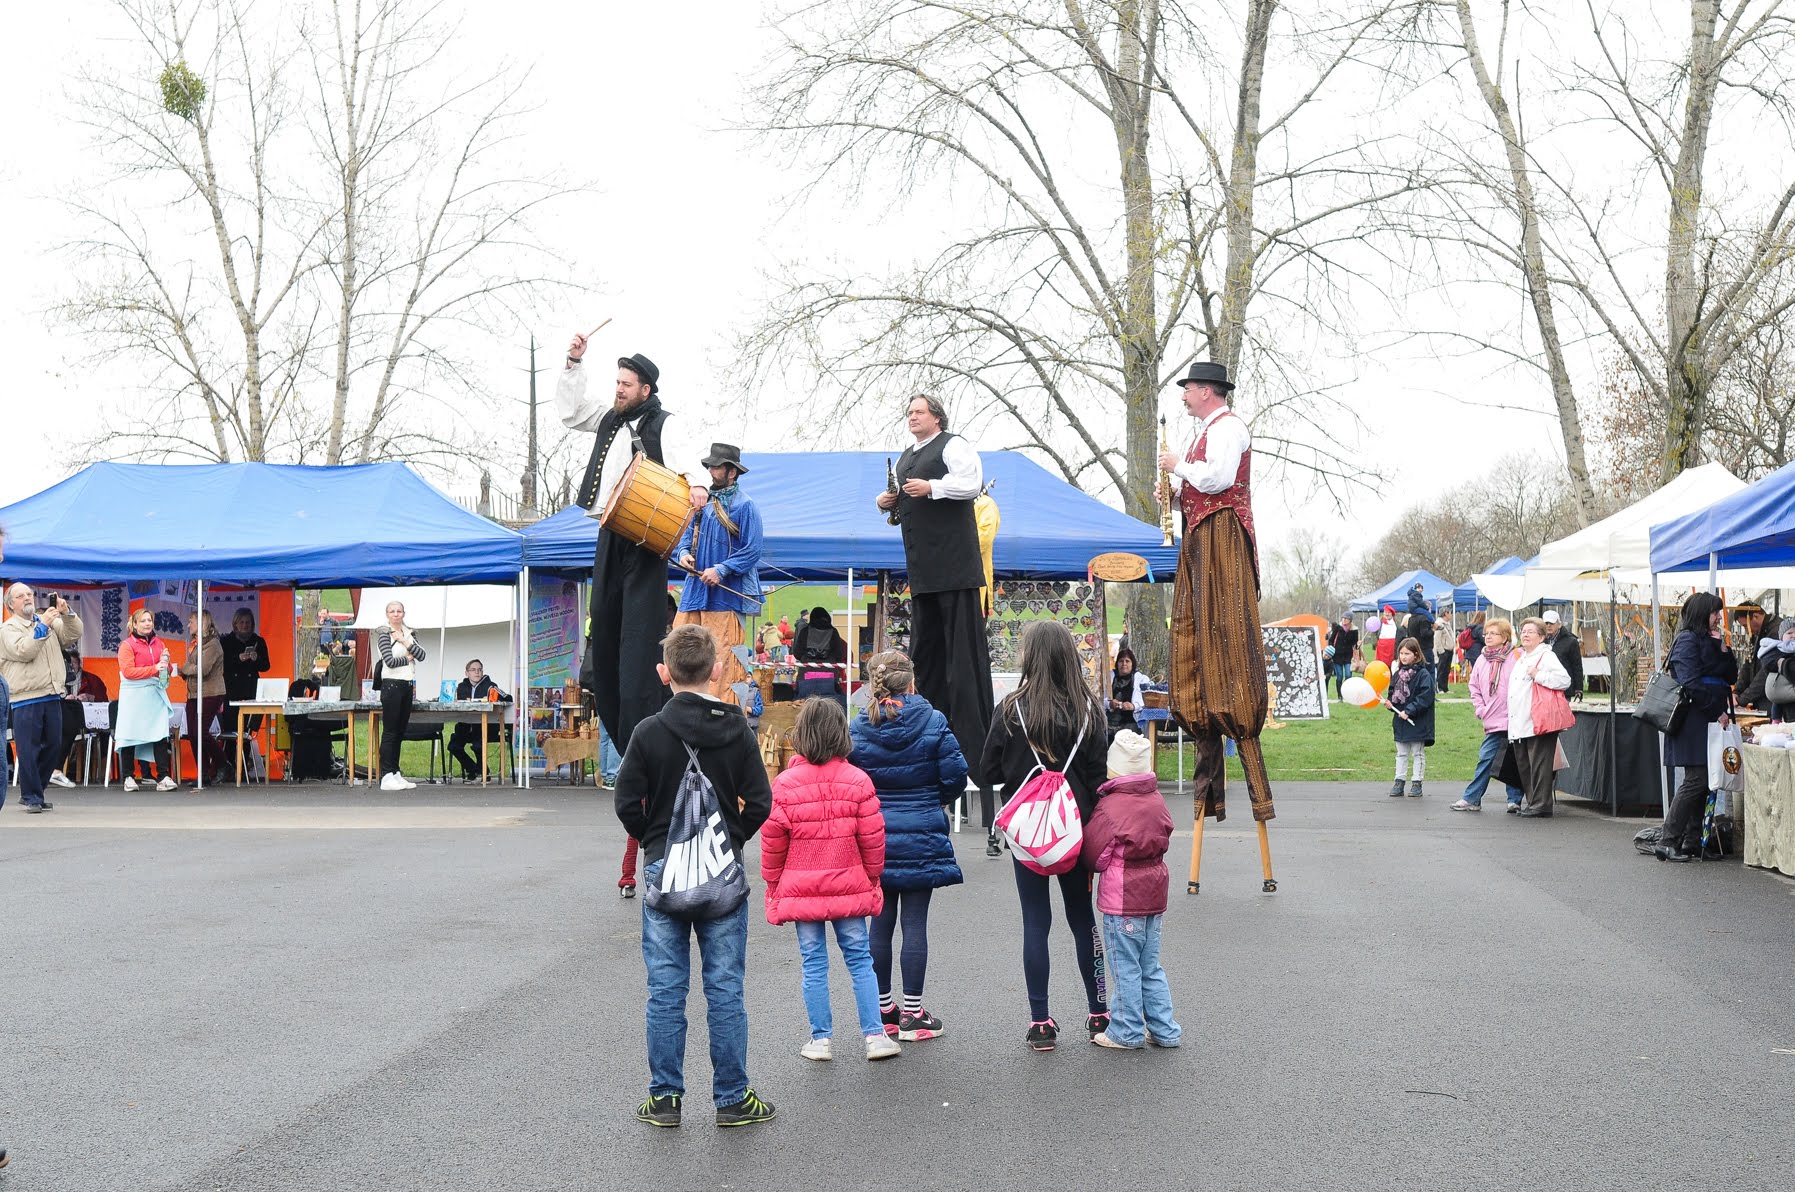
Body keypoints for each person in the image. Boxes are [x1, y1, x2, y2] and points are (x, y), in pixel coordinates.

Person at [614, 624, 775, 1129]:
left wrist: (655, 841)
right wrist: (732, 839)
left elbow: (626, 803)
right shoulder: (739, 731)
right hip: (722, 869)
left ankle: (665, 1098)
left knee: (666, 988)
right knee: (724, 988)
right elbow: (761, 802)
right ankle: (732, 1098)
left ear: (664, 674)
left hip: (665, 866)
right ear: (718, 671)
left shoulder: (648, 732)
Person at [558, 332, 704, 753]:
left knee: (640, 636)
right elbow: (570, 412)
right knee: (603, 618)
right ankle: (617, 719)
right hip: (611, 530)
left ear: (645, 390)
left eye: (626, 384)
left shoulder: (664, 423)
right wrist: (573, 363)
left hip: (646, 540)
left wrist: (696, 484)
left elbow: (686, 458)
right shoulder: (608, 417)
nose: (619, 389)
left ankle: (644, 729)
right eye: (617, 382)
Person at [1154, 361, 1276, 830]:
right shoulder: (1204, 431)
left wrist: (1177, 467)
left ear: (1206, 390)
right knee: (1195, 629)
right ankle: (1209, 789)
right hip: (1200, 536)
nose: (1184, 396)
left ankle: (1244, 761)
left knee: (1225, 626)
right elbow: (1199, 486)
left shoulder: (1228, 427)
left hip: (1222, 536)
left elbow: (1219, 479)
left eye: (1188, 389)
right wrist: (1174, 495)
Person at [979, 620, 1110, 1052]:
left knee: (1036, 922)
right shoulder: (1089, 710)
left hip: (1028, 835)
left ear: (1030, 657)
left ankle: (1040, 1022)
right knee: (1082, 920)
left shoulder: (1011, 709)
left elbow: (988, 771)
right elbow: (1098, 777)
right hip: (1076, 832)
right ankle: (1099, 1011)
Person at [874, 394, 995, 830]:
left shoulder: (953, 445)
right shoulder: (907, 455)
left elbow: (971, 484)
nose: (912, 417)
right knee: (924, 659)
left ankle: (975, 754)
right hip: (923, 573)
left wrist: (932, 488)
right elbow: (907, 506)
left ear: (937, 417)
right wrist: (889, 502)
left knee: (961, 662)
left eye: (919, 412)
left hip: (956, 571)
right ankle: (922, 730)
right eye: (909, 412)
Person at [761, 698, 899, 1063]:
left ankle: (820, 1039)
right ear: (841, 735)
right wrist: (872, 877)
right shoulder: (858, 781)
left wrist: (773, 883)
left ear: (802, 734)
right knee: (860, 959)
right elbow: (873, 839)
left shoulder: (784, 785)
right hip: (848, 883)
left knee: (813, 962)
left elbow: (773, 843)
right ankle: (875, 1036)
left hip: (801, 887)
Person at [849, 650, 966, 1043]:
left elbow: (852, 781)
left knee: (879, 924)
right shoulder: (932, 720)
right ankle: (914, 1015)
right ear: (911, 682)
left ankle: (884, 1011)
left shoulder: (859, 726)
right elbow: (955, 775)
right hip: (922, 831)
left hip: (875, 835)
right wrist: (933, 800)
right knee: (915, 923)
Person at [1082, 729, 1180, 1050]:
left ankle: (1126, 1029)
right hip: (1154, 896)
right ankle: (1165, 1029)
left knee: (1125, 966)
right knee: (1150, 967)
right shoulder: (1156, 800)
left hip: (1122, 900)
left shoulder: (1110, 807)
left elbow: (1095, 855)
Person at [673, 443, 764, 705]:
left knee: (724, 667)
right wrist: (683, 555)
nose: (711, 471)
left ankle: (724, 723)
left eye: (716, 467)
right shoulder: (702, 504)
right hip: (694, 594)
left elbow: (752, 550)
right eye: (710, 466)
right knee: (679, 654)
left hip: (726, 598)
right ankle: (683, 715)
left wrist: (721, 570)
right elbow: (684, 540)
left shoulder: (746, 506)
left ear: (732, 472)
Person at [1654, 593, 1737, 861]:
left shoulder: (1707, 641)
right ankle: (1668, 839)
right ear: (1702, 614)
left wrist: (1721, 648)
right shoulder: (1687, 641)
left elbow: (1731, 674)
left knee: (1704, 780)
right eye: (1714, 613)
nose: (1718, 618)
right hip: (1693, 719)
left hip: (1707, 718)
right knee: (1697, 779)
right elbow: (1690, 682)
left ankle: (1692, 841)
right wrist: (1716, 710)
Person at [0, 584, 83, 813]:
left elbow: (73, 634)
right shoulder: (8, 628)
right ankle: (31, 795)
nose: (27, 598)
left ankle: (36, 790)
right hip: (26, 695)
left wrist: (67, 614)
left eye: (29, 594)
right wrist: (44, 625)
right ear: (10, 604)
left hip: (52, 691)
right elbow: (24, 651)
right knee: (28, 748)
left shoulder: (44, 620)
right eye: (21, 596)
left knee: (54, 746)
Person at [1453, 618, 1524, 813]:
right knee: (1486, 758)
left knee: (1513, 760)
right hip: (1492, 718)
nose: (1488, 636)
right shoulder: (1482, 659)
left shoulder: (1516, 656)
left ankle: (1514, 800)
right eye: (1486, 633)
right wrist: (1480, 708)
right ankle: (1472, 798)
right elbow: (1474, 686)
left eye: (1493, 633)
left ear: (1505, 637)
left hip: (1514, 718)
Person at [1506, 617, 1573, 819]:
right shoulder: (1522, 657)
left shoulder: (1546, 656)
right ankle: (1533, 802)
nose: (1525, 634)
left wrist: (1539, 675)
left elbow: (1565, 680)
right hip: (1521, 722)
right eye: (1523, 631)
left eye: (1530, 631)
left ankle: (1541, 804)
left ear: (1541, 637)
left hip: (1539, 721)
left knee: (1540, 765)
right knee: (1525, 764)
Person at [116, 607, 177, 792]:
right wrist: (154, 668)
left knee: (160, 733)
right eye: (143, 621)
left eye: (149, 620)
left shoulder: (159, 644)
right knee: (130, 734)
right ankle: (128, 777)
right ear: (134, 624)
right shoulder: (127, 645)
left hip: (154, 694)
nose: (147, 623)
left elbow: (166, 670)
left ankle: (163, 776)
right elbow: (128, 671)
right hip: (133, 695)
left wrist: (166, 666)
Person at [374, 601, 425, 791]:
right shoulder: (384, 634)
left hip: (407, 685)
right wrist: (408, 657)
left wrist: (404, 640)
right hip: (391, 685)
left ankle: (395, 772)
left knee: (400, 731)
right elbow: (389, 661)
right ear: (387, 614)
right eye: (392, 611)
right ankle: (386, 775)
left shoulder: (410, 633)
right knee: (390, 731)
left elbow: (422, 655)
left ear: (403, 613)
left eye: (399, 611)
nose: (396, 614)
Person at [1383, 637, 1436, 797]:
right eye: (1401, 653)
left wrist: (1409, 711)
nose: (1403, 657)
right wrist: (1390, 704)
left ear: (1416, 655)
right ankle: (1399, 781)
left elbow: (1425, 697)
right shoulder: (1397, 675)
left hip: (1418, 722)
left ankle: (1417, 782)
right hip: (1401, 722)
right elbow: (1393, 694)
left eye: (1407, 653)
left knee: (1417, 753)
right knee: (1401, 753)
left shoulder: (1423, 675)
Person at [179, 610, 227, 785]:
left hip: (210, 692)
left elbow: (203, 669)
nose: (188, 625)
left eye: (191, 621)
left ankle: (222, 762)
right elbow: (194, 667)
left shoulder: (213, 644)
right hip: (194, 693)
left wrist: (185, 669)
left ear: (201, 623)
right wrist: (186, 670)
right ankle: (204, 772)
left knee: (201, 732)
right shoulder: (196, 644)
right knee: (193, 734)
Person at [447, 659, 508, 781]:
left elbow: (507, 697)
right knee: (454, 746)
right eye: (473, 670)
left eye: (479, 670)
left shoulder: (491, 686)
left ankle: (483, 772)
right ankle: (473, 769)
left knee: (477, 744)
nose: (477, 672)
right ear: (467, 673)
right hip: (465, 726)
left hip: (486, 727)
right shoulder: (461, 687)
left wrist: (493, 698)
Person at [50, 664, 107, 789]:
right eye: (68, 664)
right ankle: (53, 770)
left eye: (73, 664)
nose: (71, 667)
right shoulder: (54, 677)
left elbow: (104, 700)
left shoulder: (92, 679)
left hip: (84, 722)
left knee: (103, 734)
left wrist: (91, 697)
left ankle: (55, 770)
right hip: (59, 715)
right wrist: (63, 698)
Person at [220, 607, 272, 733]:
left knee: (247, 731)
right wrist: (238, 658)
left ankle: (246, 746)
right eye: (241, 622)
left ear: (252, 624)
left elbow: (266, 666)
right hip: (231, 690)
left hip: (251, 690)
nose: (244, 625)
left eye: (248, 622)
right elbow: (220, 665)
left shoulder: (258, 641)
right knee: (230, 729)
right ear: (235, 624)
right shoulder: (226, 641)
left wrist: (256, 659)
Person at [791, 607, 848, 701]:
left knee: (803, 702)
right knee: (830, 703)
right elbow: (839, 654)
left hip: (806, 672)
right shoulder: (833, 632)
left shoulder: (805, 631)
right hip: (829, 673)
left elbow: (797, 653)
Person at [1732, 601, 1780, 710]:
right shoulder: (1759, 633)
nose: (1746, 630)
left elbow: (1766, 672)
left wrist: (1743, 698)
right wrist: (1737, 691)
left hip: (1773, 701)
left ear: (1756, 616)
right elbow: (1749, 664)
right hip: (1764, 699)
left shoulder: (1776, 632)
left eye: (1746, 626)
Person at [1106, 648, 1148, 740]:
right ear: (1117, 663)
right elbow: (1100, 699)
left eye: (1127, 661)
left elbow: (1147, 701)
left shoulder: (1141, 679)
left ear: (1132, 664)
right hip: (1110, 724)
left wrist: (1133, 706)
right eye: (1121, 661)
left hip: (1131, 724)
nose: (1124, 664)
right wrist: (1109, 704)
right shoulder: (1109, 677)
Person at [1542, 609, 1583, 700]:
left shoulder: (1571, 641)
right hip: (1544, 686)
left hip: (1564, 688)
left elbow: (1577, 666)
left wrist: (1578, 688)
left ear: (1559, 624)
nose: (1548, 626)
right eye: (1546, 623)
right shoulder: (1539, 641)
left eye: (1551, 623)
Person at [1758, 617, 1795, 721]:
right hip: (1781, 698)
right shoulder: (1778, 649)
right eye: (1789, 633)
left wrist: (1782, 663)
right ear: (1781, 637)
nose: (1793, 635)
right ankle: (1776, 718)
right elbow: (1768, 664)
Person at [1325, 616, 1359, 699]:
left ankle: (1346, 693)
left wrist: (1358, 644)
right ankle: (1340, 696)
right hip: (1337, 656)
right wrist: (1331, 650)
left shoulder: (1354, 630)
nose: (1344, 620)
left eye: (1346, 619)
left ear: (1350, 621)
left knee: (1348, 675)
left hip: (1348, 656)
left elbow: (1355, 644)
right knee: (1339, 677)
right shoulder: (1338, 627)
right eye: (1343, 618)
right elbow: (1331, 640)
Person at [1404, 585, 1436, 665]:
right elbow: (1425, 633)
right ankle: (1434, 621)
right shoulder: (1424, 618)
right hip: (1425, 649)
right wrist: (1433, 630)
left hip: (1415, 648)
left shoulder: (1411, 619)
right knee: (1429, 669)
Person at [1458, 611, 1486, 678]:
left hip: (1470, 652)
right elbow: (1483, 640)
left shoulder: (1471, 627)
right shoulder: (1479, 628)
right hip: (1476, 652)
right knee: (1479, 671)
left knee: (1475, 670)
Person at [1433, 617, 1454, 690]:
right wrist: (1441, 651)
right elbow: (1437, 639)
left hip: (1449, 650)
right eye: (1450, 613)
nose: (1451, 615)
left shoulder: (1448, 624)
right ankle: (1440, 687)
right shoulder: (1439, 624)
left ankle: (1445, 688)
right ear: (1446, 614)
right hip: (1443, 651)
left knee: (1447, 670)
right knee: (1441, 670)